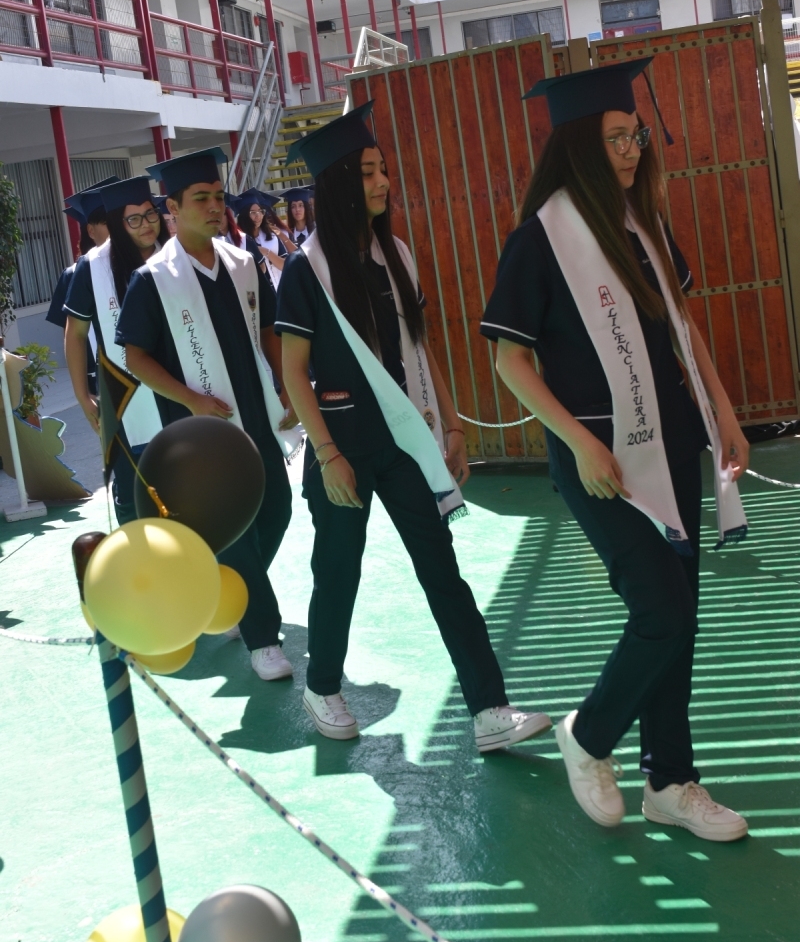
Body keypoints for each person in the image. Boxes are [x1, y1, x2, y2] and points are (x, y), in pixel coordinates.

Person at [481, 59, 750, 841]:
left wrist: (724, 411)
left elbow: (682, 325)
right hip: (600, 462)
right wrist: (577, 442)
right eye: (615, 138)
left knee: (682, 617)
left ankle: (671, 781)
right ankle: (589, 734)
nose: (632, 150)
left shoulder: (644, 224)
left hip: (672, 440)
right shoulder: (540, 240)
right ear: (577, 146)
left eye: (636, 135)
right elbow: (509, 360)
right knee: (660, 609)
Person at [276, 102, 551, 750]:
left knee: (442, 572)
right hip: (341, 447)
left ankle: (489, 709)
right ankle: (323, 686)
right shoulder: (306, 270)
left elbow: (419, 349)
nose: (383, 183)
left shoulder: (395, 252)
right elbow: (293, 371)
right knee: (339, 572)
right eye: (369, 172)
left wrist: (452, 425)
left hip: (403, 443)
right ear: (340, 183)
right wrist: (328, 454)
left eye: (383, 170)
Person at [116, 147, 302, 682]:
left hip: (255, 416)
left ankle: (228, 591)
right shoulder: (153, 279)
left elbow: (268, 330)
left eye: (219, 196)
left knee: (277, 511)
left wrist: (287, 385)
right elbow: (134, 356)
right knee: (236, 528)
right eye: (201, 198)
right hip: (200, 433)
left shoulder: (244, 264)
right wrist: (190, 398)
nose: (215, 206)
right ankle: (263, 639)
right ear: (173, 208)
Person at [63, 177, 166, 523]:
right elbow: (75, 333)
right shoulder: (92, 267)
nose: (146, 224)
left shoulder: (174, 257)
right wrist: (83, 395)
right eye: (133, 218)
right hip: (123, 398)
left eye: (150, 214)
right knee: (134, 499)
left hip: (181, 389)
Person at [47, 189, 111, 394]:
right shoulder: (74, 274)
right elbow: (70, 332)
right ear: (90, 231)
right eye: (107, 222)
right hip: (97, 370)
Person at [237, 190, 296, 292]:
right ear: (244, 215)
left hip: (276, 289)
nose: (258, 216)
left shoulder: (271, 236)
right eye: (253, 213)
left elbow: (284, 265)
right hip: (254, 291)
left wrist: (266, 252)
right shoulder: (239, 240)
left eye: (260, 211)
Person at [218, 199, 269, 276]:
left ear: (228, 216)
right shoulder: (210, 242)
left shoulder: (244, 239)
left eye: (222, 214)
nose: (218, 218)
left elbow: (262, 266)